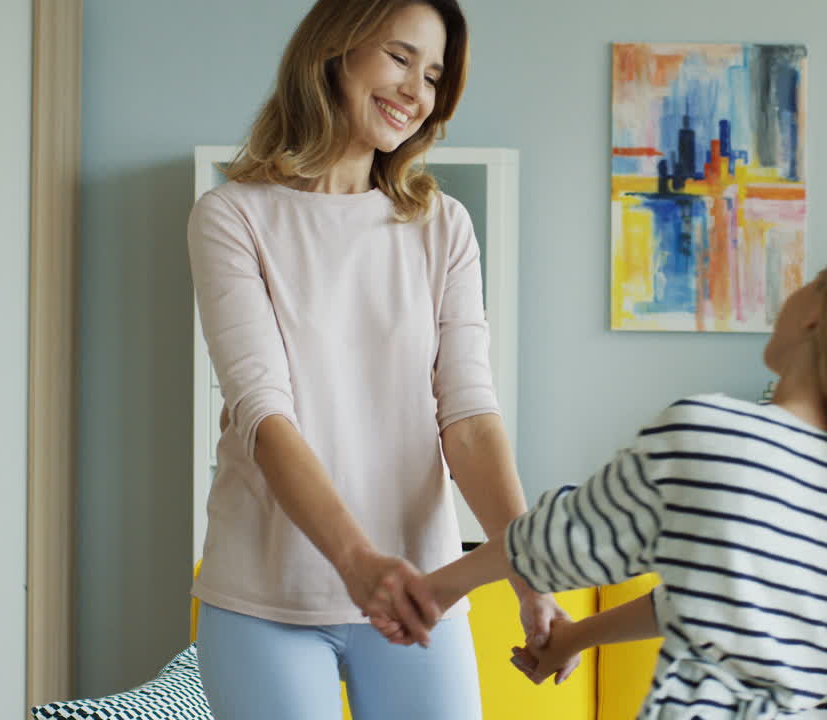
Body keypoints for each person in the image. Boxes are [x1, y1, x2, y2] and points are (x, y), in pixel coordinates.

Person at [399, 247, 827, 719]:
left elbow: (555, 543)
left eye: (807, 282)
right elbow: (712, 595)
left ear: (818, 316)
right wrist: (575, 637)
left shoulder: (713, 433)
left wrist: (433, 589)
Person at [186, 1, 575, 717]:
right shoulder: (233, 215)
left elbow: (470, 418)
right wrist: (357, 563)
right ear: (333, 50)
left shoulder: (442, 226)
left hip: (420, 592)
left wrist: (531, 576)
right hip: (266, 595)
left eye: (432, 75)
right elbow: (264, 415)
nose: (415, 92)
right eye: (400, 57)